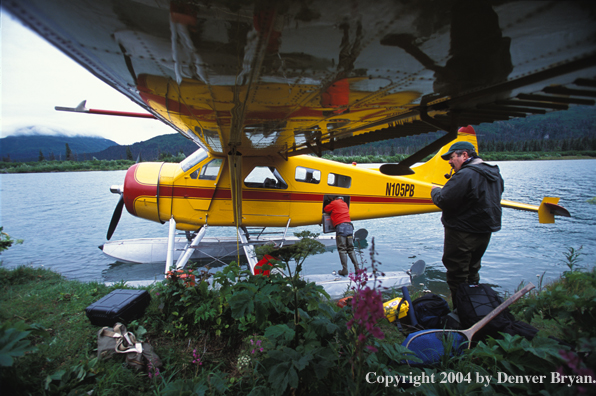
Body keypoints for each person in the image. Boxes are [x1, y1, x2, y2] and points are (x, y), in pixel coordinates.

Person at [431, 138, 504, 307]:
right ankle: (477, 308)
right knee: (473, 270)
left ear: (464, 155)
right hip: (484, 233)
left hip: (462, 233)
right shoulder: (494, 173)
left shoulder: (466, 174)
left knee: (457, 274)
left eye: (452, 157)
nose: (450, 161)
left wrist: (435, 191)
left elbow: (444, 200)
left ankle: (461, 312)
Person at [324, 196, 360, 276]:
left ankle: (345, 270)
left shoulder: (334, 203)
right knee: (351, 249)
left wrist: (330, 202)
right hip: (350, 226)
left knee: (342, 249)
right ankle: (357, 268)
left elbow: (326, 209)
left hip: (341, 227)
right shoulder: (344, 204)